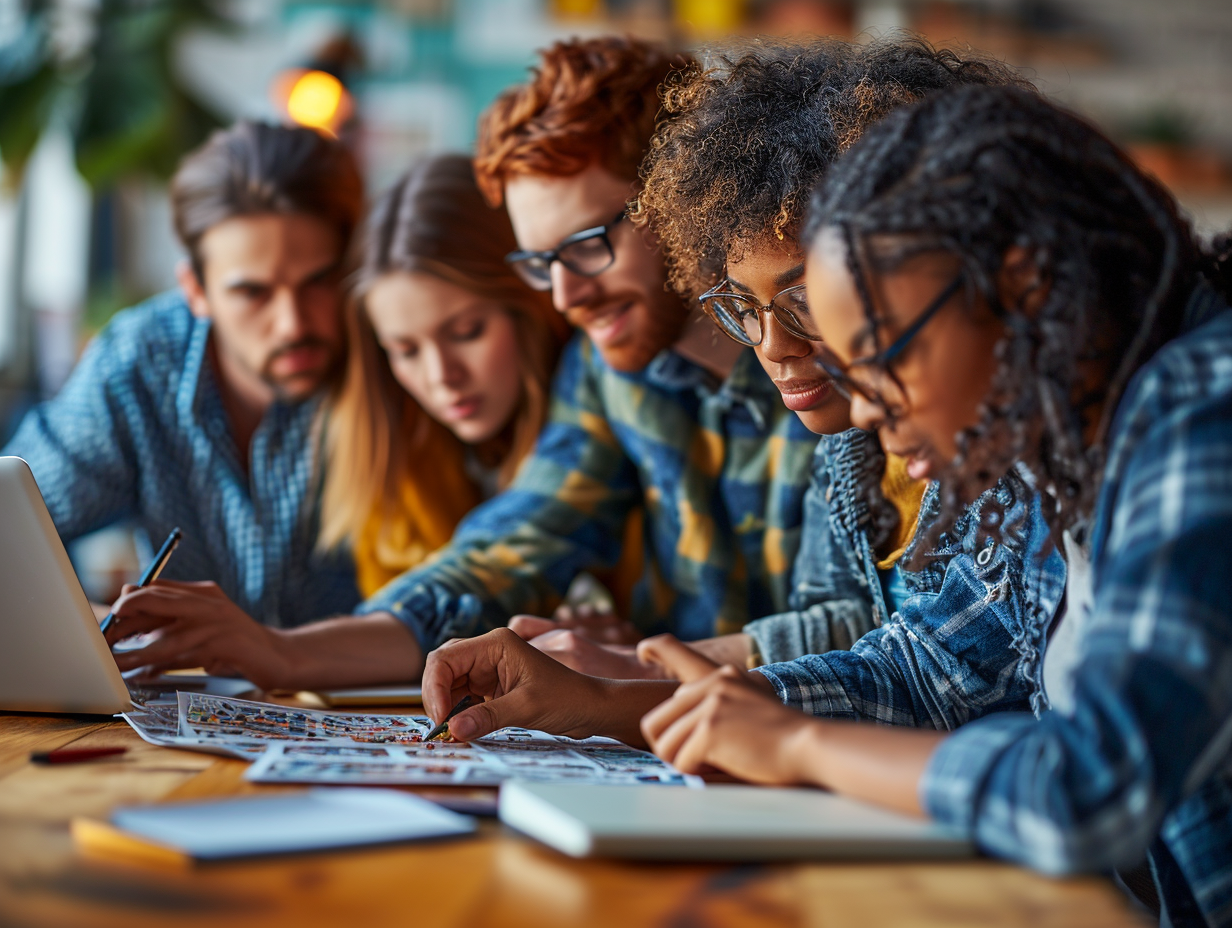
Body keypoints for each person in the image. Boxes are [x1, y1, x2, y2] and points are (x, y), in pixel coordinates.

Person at [427, 86, 1232, 926]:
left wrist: (799, 745)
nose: (869, 411)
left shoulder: (1201, 411)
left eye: (879, 353)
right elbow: (927, 672)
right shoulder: (1061, 442)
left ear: (1020, 284)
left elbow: (1092, 788)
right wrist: (613, 707)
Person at [516, 37, 1046, 680]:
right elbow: (844, 622)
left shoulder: (1019, 444)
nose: (772, 346)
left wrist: (643, 680)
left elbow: (938, 681)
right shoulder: (847, 448)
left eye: (806, 300)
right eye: (742, 306)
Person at [346, 35, 826, 671]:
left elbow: (881, 632)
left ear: (686, 200)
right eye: (543, 263)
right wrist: (278, 654)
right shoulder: (607, 367)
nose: (568, 295)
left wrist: (637, 669)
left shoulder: (827, 358)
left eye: (588, 243)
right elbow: (518, 544)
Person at [3, 122, 364, 629]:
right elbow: (12, 531)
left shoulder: (400, 356)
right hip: (190, 698)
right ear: (195, 288)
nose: (293, 324)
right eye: (253, 292)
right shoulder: (140, 363)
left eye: (319, 281)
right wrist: (92, 632)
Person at [317, 154, 568, 598]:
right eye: (405, 350)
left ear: (528, 304)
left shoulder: (603, 411)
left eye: (467, 332)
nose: (441, 376)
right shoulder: (388, 452)